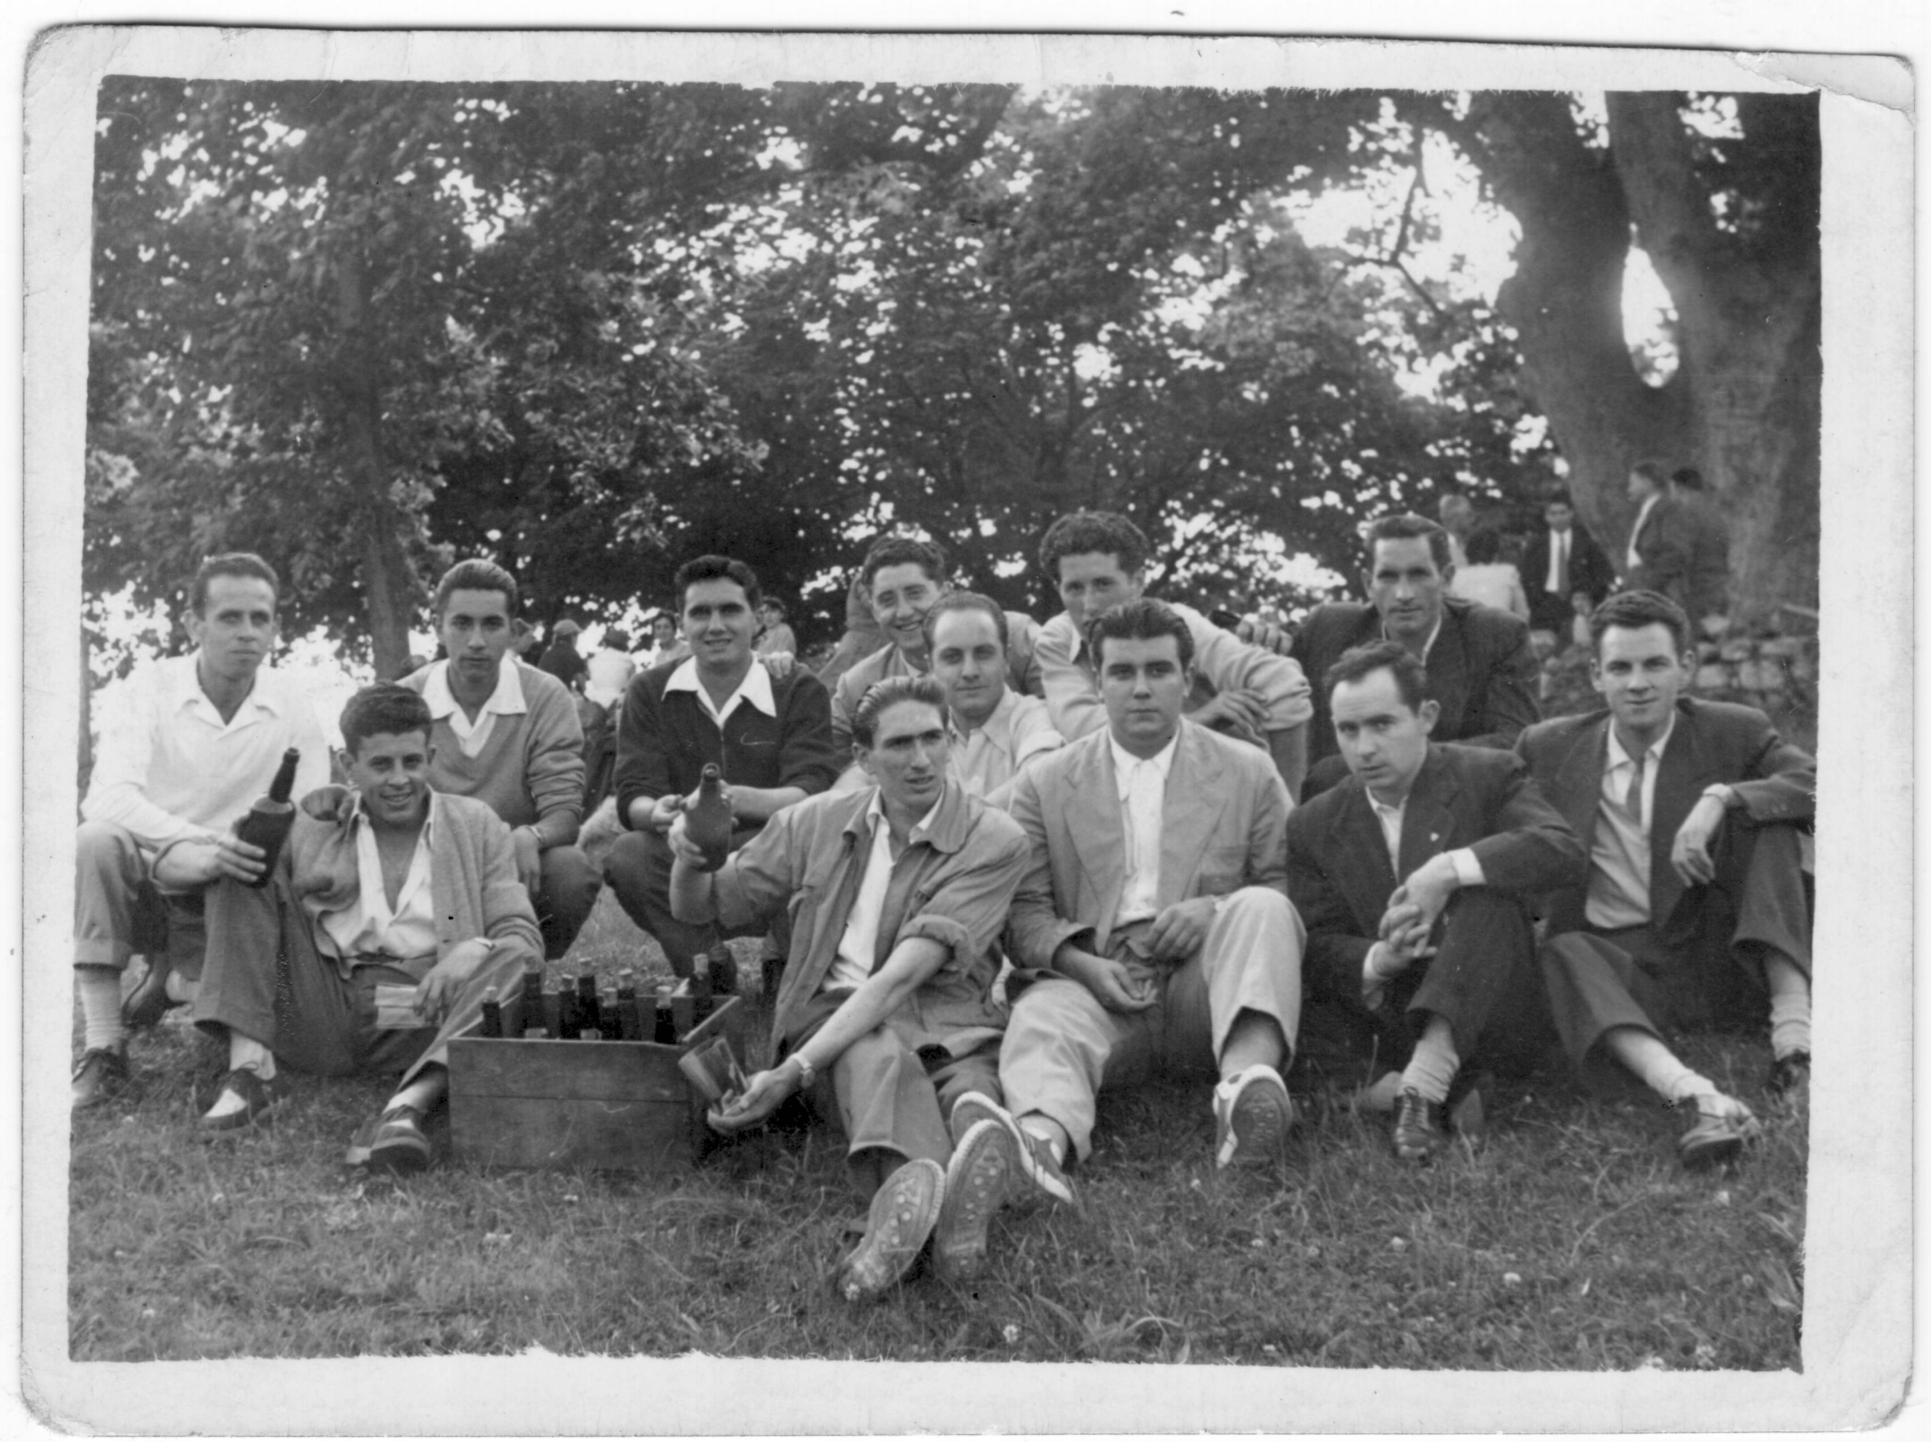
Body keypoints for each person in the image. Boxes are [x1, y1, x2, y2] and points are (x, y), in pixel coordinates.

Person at [669, 676, 1030, 1299]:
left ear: (952, 741)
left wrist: (786, 1077)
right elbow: (701, 908)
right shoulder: (813, 822)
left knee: (964, 1088)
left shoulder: (995, 839)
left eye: (933, 739)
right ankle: (933, 1214)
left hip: (943, 1023)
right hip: (829, 1022)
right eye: (899, 745)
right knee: (876, 1055)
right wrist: (689, 856)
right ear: (863, 757)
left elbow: (902, 977)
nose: (920, 760)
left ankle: (928, 1206)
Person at [966, 599, 1306, 1203]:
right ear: (1098, 683)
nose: (1141, 689)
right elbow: (1025, 912)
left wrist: (1215, 909)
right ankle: (1039, 1147)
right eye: (1122, 673)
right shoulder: (1046, 782)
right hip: (1102, 983)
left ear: (1188, 678)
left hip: (1208, 986)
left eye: (1158, 670)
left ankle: (1245, 1092)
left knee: (1262, 908)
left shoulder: (1247, 770)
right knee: (1043, 1016)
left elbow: (1286, 884)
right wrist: (1079, 964)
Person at [1516, 590, 1814, 1168]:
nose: (1638, 684)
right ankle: (1693, 1096)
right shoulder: (1550, 747)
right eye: (1620, 668)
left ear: (1687, 668)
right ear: (1596, 675)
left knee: (1765, 818)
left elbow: (1822, 784)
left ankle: (1795, 1048)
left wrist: (1722, 796)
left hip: (1720, 954)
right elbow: (1491, 806)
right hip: (1624, 969)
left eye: (1655, 664)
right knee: (1563, 949)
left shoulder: (1733, 731)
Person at [187, 684, 541, 1169]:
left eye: (411, 762)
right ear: (347, 764)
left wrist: (475, 947)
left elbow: (520, 935)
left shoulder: (475, 824)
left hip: (421, 1010)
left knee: (513, 959)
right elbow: (239, 900)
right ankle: (250, 1073)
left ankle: (407, 1107)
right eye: (380, 765)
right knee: (244, 865)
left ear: (431, 757)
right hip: (319, 1007)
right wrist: (234, 847)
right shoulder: (315, 821)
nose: (399, 780)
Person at [1286, 642, 1584, 1161]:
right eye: (1348, 730)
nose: (1364, 748)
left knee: (1488, 893)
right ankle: (1433, 1090)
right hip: (1391, 1014)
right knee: (1292, 978)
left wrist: (1446, 871)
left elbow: (1563, 851)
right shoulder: (1314, 821)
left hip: (1490, 1000)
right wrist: (1379, 958)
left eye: (1382, 724)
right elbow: (1318, 940)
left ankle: (1420, 1088)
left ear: (1426, 717)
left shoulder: (1488, 774)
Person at [72, 553, 332, 1110]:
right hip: (154, 874)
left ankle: (185, 993)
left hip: (235, 890)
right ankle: (104, 1046)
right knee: (95, 840)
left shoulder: (290, 698)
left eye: (260, 619)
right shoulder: (149, 686)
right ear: (194, 624)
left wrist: (230, 855)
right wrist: (199, 845)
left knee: (254, 861)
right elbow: (106, 797)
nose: (247, 632)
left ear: (275, 628)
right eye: (229, 617)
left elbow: (310, 809)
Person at [605, 555, 842, 978]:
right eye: (700, 613)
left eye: (730, 610)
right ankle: (706, 967)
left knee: (817, 845)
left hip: (775, 847)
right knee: (629, 856)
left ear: (757, 619)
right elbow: (633, 791)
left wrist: (730, 800)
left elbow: (813, 788)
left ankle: (788, 961)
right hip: (686, 848)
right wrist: (659, 812)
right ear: (682, 623)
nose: (715, 626)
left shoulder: (796, 687)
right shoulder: (649, 690)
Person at [1031, 510, 1313, 797]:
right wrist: (1201, 718)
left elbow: (1281, 681)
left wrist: (1287, 810)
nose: (1089, 605)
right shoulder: (1057, 640)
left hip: (1224, 790)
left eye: (1103, 584)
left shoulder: (1180, 622)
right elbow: (1085, 733)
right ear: (1057, 588)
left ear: (1138, 582)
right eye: (1074, 588)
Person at [398, 561, 600, 960]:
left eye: (491, 624)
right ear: (438, 627)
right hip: (426, 866)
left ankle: (526, 968)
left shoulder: (545, 695)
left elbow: (564, 813)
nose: (476, 641)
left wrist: (531, 836)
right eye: (461, 624)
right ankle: (429, 965)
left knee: (570, 871)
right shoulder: (404, 698)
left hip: (513, 864)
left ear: (513, 630)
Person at [1294, 513, 1540, 797]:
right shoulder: (1327, 629)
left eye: (1418, 575)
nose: (1403, 594)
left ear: (1446, 578)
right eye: (1388, 577)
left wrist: (1401, 760)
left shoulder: (1496, 634)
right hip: (1347, 806)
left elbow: (1516, 741)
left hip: (1458, 801)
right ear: (1368, 583)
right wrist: (1261, 638)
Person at [829, 536, 1043, 759]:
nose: (903, 612)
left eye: (914, 593)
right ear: (874, 611)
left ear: (945, 592)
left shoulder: (1014, 637)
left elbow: (1058, 718)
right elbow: (838, 762)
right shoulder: (858, 686)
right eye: (887, 600)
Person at [923, 592, 1063, 809]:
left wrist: (949, 825)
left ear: (1006, 659)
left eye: (983, 654)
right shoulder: (921, 731)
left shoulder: (1035, 718)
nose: (969, 671)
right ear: (931, 668)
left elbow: (1039, 777)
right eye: (952, 657)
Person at [1519, 492, 1615, 644]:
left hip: (1577, 604)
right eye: (1553, 514)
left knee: (1579, 648)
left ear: (1571, 514)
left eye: (1562, 513)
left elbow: (1603, 575)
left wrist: (1589, 596)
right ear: (1546, 517)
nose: (1558, 517)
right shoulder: (1535, 546)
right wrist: (1536, 602)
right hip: (1545, 605)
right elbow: (1526, 578)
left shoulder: (1587, 544)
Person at [1623, 460, 1697, 610]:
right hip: (1642, 591)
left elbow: (1677, 551)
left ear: (1647, 482)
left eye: (1633, 483)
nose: (1629, 489)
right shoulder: (1646, 512)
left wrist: (1648, 584)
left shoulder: (1668, 510)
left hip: (1661, 594)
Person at [1670, 466, 1733, 629]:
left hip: (1697, 593)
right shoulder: (1715, 515)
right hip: (1718, 590)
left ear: (1679, 488)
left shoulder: (1685, 515)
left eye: (1671, 490)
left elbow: (1681, 555)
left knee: (1695, 640)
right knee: (1713, 639)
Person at [1448, 528, 1531, 623]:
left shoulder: (1457, 575)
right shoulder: (1508, 572)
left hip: (1469, 628)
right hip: (1501, 628)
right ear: (1496, 553)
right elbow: (1522, 614)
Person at [584, 626, 638, 710]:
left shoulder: (593, 660)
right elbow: (632, 684)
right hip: (618, 702)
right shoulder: (628, 660)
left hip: (595, 700)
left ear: (605, 643)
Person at [536, 618, 588, 692]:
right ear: (571, 636)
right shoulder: (572, 654)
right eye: (576, 635)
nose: (577, 640)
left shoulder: (548, 653)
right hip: (558, 696)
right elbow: (582, 685)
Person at [1437, 493, 1475, 571]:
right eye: (1469, 514)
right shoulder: (1442, 550)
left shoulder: (1463, 546)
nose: (1473, 519)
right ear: (1455, 518)